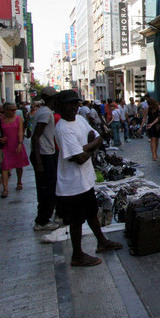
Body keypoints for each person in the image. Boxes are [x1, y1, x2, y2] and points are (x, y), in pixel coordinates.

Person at [53, 89, 123, 267]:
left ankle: (101, 241)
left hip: (85, 179)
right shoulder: (62, 129)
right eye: (71, 104)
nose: (75, 107)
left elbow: (95, 136)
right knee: (76, 220)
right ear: (61, 107)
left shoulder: (80, 120)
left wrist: (86, 146)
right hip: (72, 184)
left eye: (76, 103)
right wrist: (92, 145)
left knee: (91, 213)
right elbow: (80, 157)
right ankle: (77, 255)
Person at [30, 87, 61, 232]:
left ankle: (43, 218)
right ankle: (42, 221)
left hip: (46, 154)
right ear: (52, 99)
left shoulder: (43, 111)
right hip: (44, 155)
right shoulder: (46, 113)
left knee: (47, 189)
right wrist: (39, 162)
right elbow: (36, 137)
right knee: (47, 190)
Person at [0, 101, 30, 198]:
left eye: (15, 109)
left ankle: (19, 181)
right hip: (6, 146)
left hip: (16, 144)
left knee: (19, 165)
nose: (14, 111)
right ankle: (5, 189)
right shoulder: (0, 120)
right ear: (5, 110)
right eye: (12, 110)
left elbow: (20, 131)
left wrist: (20, 142)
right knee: (5, 166)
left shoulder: (19, 119)